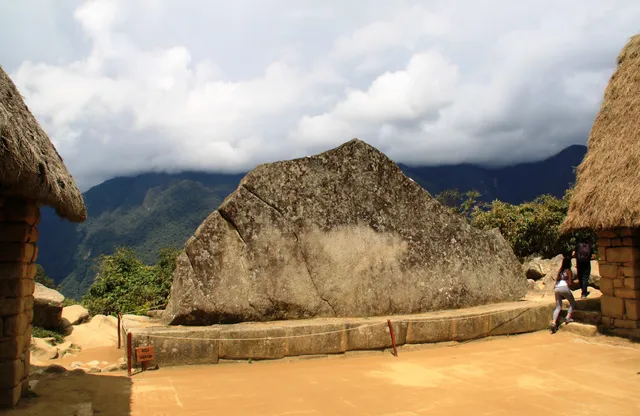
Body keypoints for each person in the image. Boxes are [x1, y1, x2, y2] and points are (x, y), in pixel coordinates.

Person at [551, 256, 576, 334]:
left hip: (557, 288)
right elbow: (570, 283)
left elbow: (556, 281)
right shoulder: (568, 271)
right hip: (564, 287)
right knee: (572, 302)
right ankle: (568, 317)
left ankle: (553, 322)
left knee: (558, 306)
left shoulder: (560, 270)